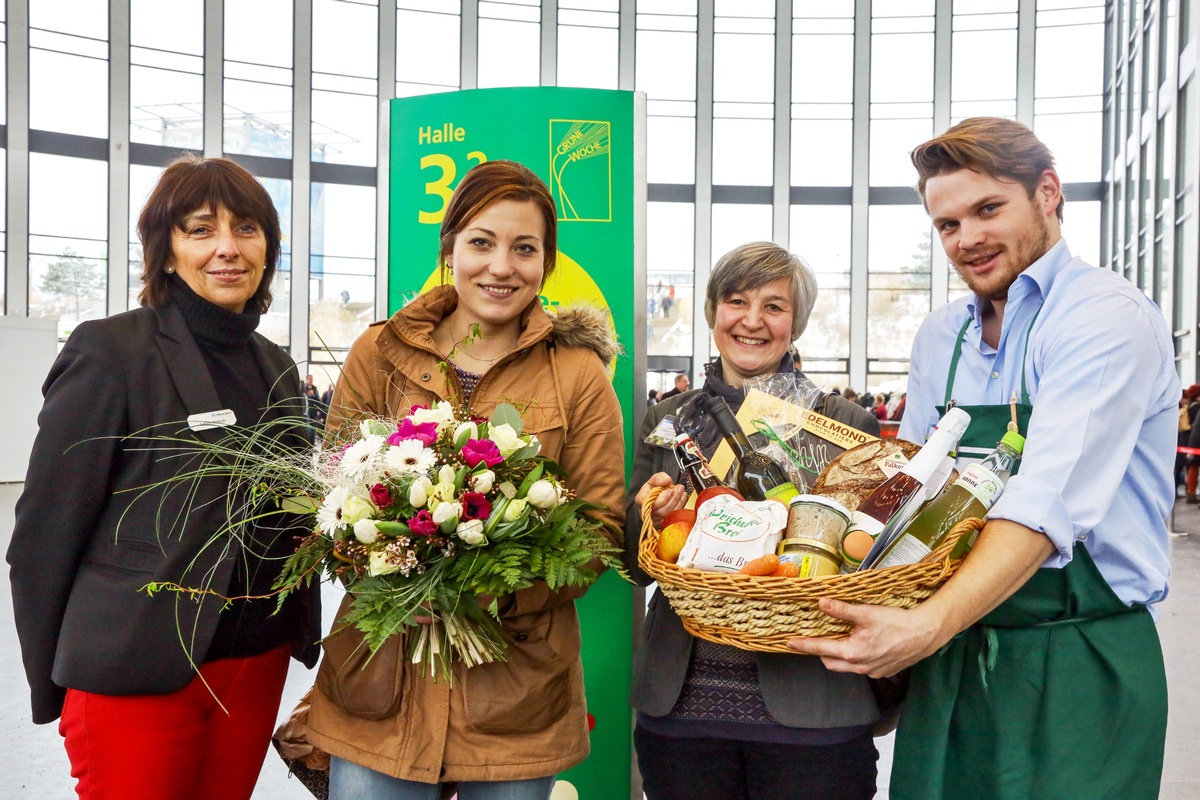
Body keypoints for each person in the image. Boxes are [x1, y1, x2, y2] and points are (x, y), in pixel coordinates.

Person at [789, 117, 1176, 800]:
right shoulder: (944, 336)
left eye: (987, 209)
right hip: (953, 656)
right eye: (946, 225)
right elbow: (905, 486)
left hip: (1077, 655)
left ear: (1048, 193)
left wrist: (924, 626)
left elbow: (1043, 503)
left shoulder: (1103, 318)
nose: (966, 239)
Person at [299, 160, 626, 799]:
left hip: (516, 696)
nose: (501, 267)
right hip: (380, 682)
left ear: (546, 263)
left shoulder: (579, 373)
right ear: (449, 249)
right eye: (481, 242)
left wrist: (492, 593)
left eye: (524, 248)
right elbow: (331, 495)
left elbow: (599, 527)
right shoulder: (379, 353)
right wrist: (393, 573)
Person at [7, 155, 322, 800]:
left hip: (253, 663)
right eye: (200, 229)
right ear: (166, 249)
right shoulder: (112, 350)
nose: (228, 248)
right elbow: (45, 532)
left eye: (248, 229)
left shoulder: (278, 368)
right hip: (134, 665)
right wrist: (54, 679)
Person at [626, 242, 883, 800]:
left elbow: (870, 561)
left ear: (798, 322)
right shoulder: (668, 420)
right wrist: (647, 514)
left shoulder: (845, 424)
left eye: (774, 306)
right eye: (736, 301)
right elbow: (634, 564)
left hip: (814, 709)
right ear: (714, 312)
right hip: (682, 710)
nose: (751, 321)